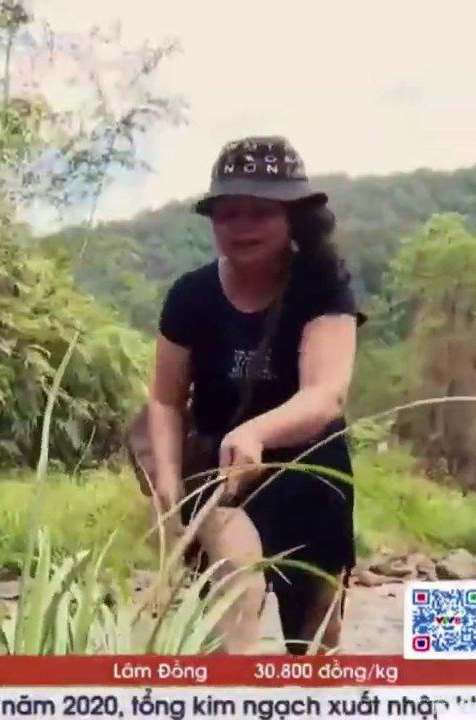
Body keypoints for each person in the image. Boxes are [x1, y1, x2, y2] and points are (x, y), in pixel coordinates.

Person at [146, 136, 363, 654]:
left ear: (293, 217)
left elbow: (326, 395)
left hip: (313, 475)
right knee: (235, 586)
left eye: (260, 212)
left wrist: (257, 432)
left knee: (317, 641)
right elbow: (165, 400)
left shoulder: (323, 286)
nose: (242, 227)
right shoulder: (191, 296)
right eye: (228, 213)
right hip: (223, 476)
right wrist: (168, 483)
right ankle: (229, 692)